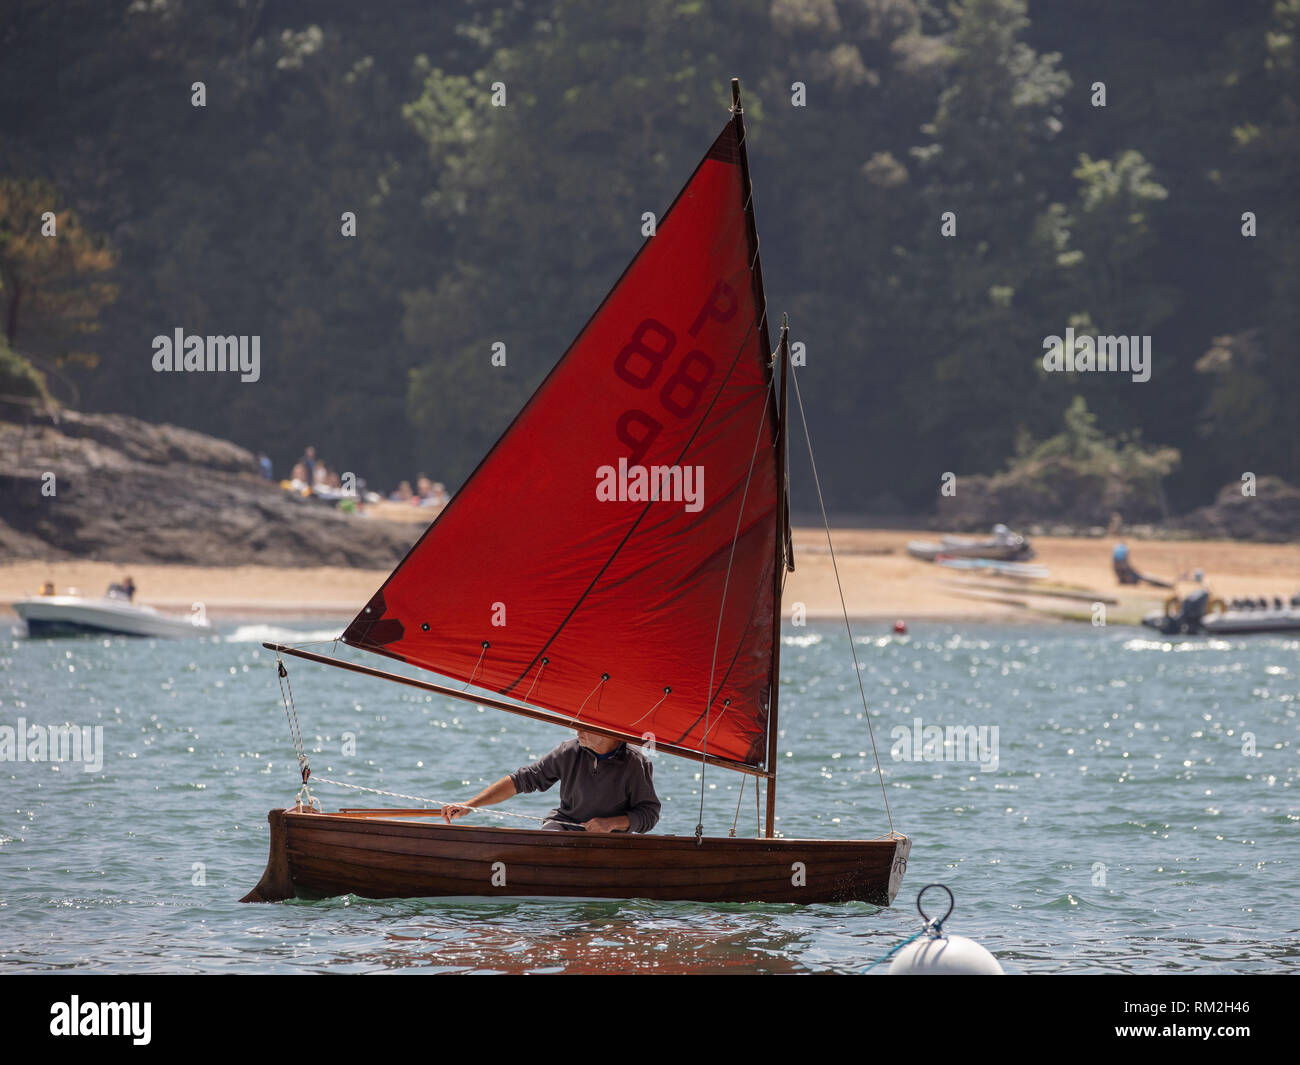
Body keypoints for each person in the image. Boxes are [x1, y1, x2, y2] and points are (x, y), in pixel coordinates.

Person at [441, 728, 660, 833]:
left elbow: (649, 814)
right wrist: (470, 805)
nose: (577, 730)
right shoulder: (569, 751)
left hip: (609, 838)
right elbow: (522, 779)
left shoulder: (635, 763)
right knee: (548, 839)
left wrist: (612, 823)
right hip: (564, 826)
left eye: (585, 724)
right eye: (577, 722)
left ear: (610, 731)